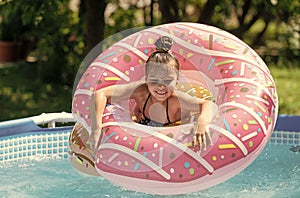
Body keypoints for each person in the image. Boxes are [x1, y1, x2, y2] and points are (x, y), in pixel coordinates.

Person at [89, 36, 218, 156]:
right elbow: (99, 94)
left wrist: (202, 123)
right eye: (154, 81)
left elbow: (209, 104)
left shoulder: (176, 100)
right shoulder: (141, 92)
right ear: (146, 79)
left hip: (177, 133)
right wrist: (96, 129)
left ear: (177, 80)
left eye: (167, 81)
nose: (161, 87)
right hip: (147, 129)